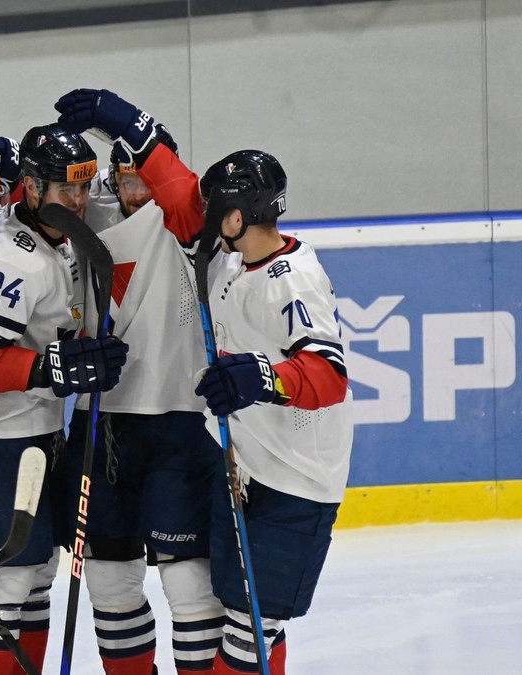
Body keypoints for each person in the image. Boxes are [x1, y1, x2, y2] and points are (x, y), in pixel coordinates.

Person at [52, 88, 226, 675]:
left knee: (188, 586)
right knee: (108, 582)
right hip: (100, 426)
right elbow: (31, 209)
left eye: (144, 177)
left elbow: (179, 192)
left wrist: (124, 118)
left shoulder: (186, 221)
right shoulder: (88, 210)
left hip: (175, 424)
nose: (135, 192)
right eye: (123, 179)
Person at [0, 124, 129, 673]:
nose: (78, 201)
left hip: (45, 430)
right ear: (29, 187)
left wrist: (79, 354)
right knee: (9, 581)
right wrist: (55, 367)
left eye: (83, 187)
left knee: (38, 579)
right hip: (7, 437)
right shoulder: (12, 260)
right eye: (64, 190)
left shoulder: (60, 241)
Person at [191, 149, 352, 675]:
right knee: (244, 616)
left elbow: (328, 376)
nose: (205, 216)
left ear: (236, 217)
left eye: (214, 208)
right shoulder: (236, 263)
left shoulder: (291, 280)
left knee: (250, 627)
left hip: (296, 481)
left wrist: (262, 377)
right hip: (250, 470)